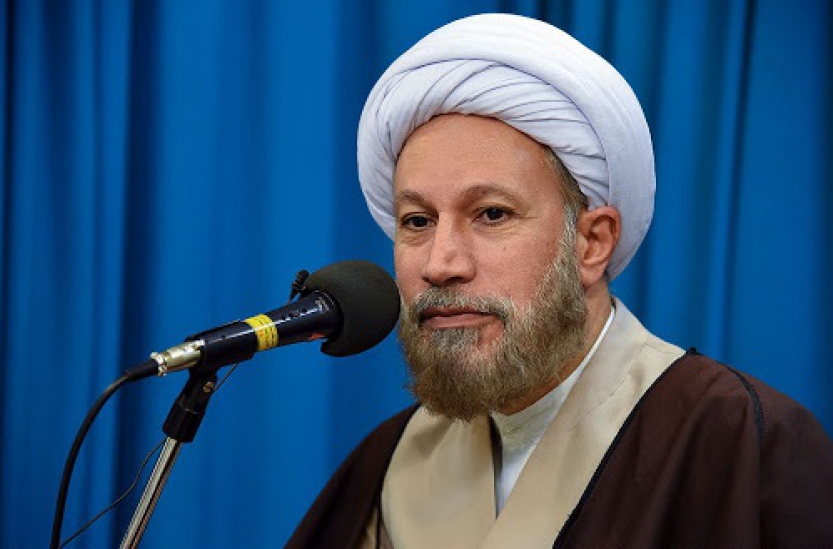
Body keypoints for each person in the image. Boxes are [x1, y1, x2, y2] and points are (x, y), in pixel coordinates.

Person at [287, 13, 833, 549]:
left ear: (592, 243)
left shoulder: (736, 441)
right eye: (417, 221)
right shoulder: (387, 466)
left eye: (492, 214)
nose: (441, 263)